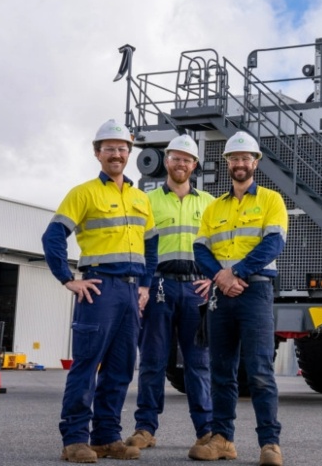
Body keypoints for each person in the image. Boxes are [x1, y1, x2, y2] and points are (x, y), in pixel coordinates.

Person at [41, 119, 157, 464]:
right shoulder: (84, 193)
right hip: (99, 287)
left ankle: (106, 437)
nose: (117, 154)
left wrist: (147, 286)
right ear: (97, 153)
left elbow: (151, 247)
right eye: (109, 148)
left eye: (122, 148)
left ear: (129, 152)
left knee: (121, 367)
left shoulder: (140, 198)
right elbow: (52, 237)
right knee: (88, 363)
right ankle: (75, 439)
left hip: (132, 291)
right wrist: (67, 279)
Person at [190, 131, 287, 466]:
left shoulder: (272, 200)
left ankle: (270, 444)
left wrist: (237, 273)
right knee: (220, 370)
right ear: (228, 163)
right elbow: (199, 248)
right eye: (235, 158)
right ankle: (223, 439)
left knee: (259, 370)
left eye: (247, 158)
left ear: (255, 163)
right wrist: (221, 276)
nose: (240, 163)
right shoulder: (214, 207)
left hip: (255, 290)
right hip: (221, 294)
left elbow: (273, 244)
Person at [124, 135, 215, 455]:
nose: (181, 163)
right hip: (159, 284)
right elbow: (136, 245)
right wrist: (140, 285)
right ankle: (145, 428)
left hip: (196, 287)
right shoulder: (147, 200)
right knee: (152, 361)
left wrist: (214, 279)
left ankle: (206, 431)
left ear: (195, 165)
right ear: (166, 160)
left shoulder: (209, 203)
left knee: (199, 363)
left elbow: (223, 245)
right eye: (175, 157)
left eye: (187, 159)